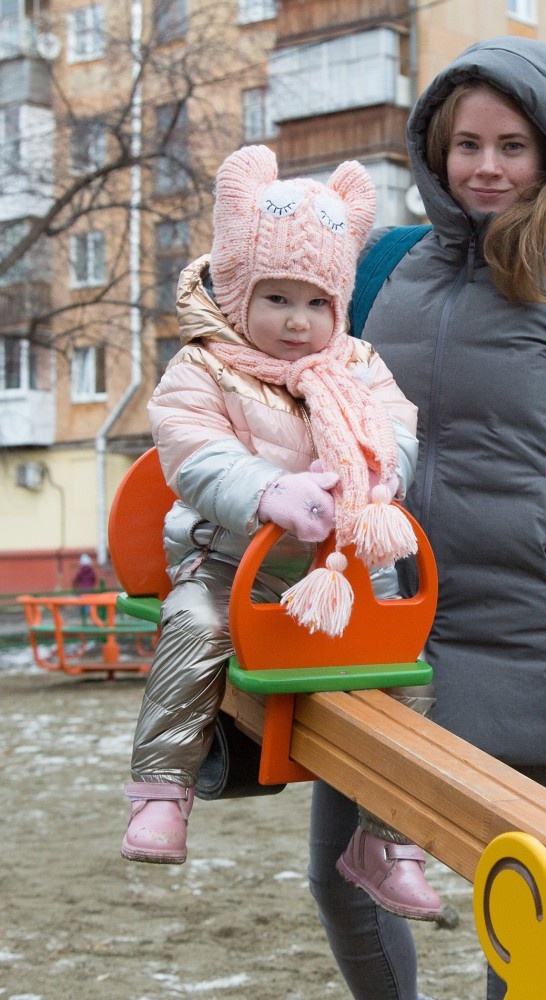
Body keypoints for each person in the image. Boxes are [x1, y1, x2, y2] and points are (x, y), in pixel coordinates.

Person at [306, 36, 546, 1000]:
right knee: (344, 882)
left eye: (512, 146)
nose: (487, 167)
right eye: (467, 144)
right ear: (435, 148)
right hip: (380, 630)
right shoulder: (379, 268)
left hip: (522, 635)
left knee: (527, 907)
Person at [120, 144, 442, 921]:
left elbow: (399, 425)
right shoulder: (204, 368)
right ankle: (161, 790)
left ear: (338, 307)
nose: (298, 323)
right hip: (232, 562)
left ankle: (386, 842)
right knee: (194, 626)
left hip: (339, 571)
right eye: (277, 299)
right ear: (237, 293)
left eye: (316, 303)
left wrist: (385, 471)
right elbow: (196, 455)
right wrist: (269, 491)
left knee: (405, 670)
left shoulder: (357, 364)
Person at [73, 553, 97, 623]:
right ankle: (88, 616)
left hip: (81, 589)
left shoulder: (80, 571)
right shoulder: (91, 571)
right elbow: (94, 579)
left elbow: (77, 579)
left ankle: (83, 616)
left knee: (82, 602)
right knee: (88, 603)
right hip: (89, 589)